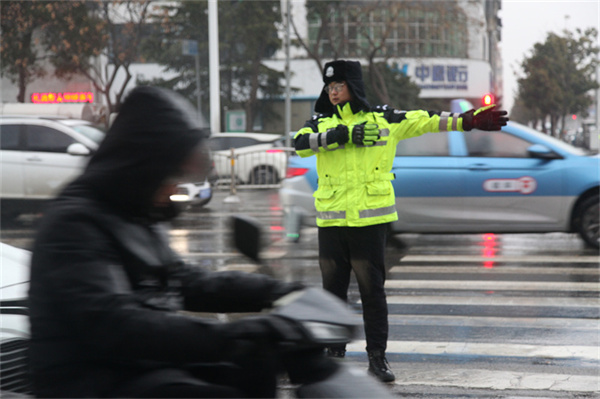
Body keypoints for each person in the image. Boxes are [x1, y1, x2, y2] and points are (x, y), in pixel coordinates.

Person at [28, 86, 305, 398]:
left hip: (140, 368)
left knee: (255, 365)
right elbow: (115, 323)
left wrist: (276, 293)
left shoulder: (138, 213)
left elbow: (184, 281)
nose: (174, 186)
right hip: (91, 379)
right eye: (170, 174)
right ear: (141, 167)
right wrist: (232, 336)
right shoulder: (75, 224)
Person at [293, 60, 508, 383]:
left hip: (370, 221)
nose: (333, 92)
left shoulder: (384, 119)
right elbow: (299, 144)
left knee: (372, 293)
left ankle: (377, 359)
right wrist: (343, 134)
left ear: (353, 85)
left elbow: (426, 121)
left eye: (339, 86)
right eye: (329, 88)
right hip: (332, 222)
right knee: (331, 294)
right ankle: (333, 356)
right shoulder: (320, 122)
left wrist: (466, 121)